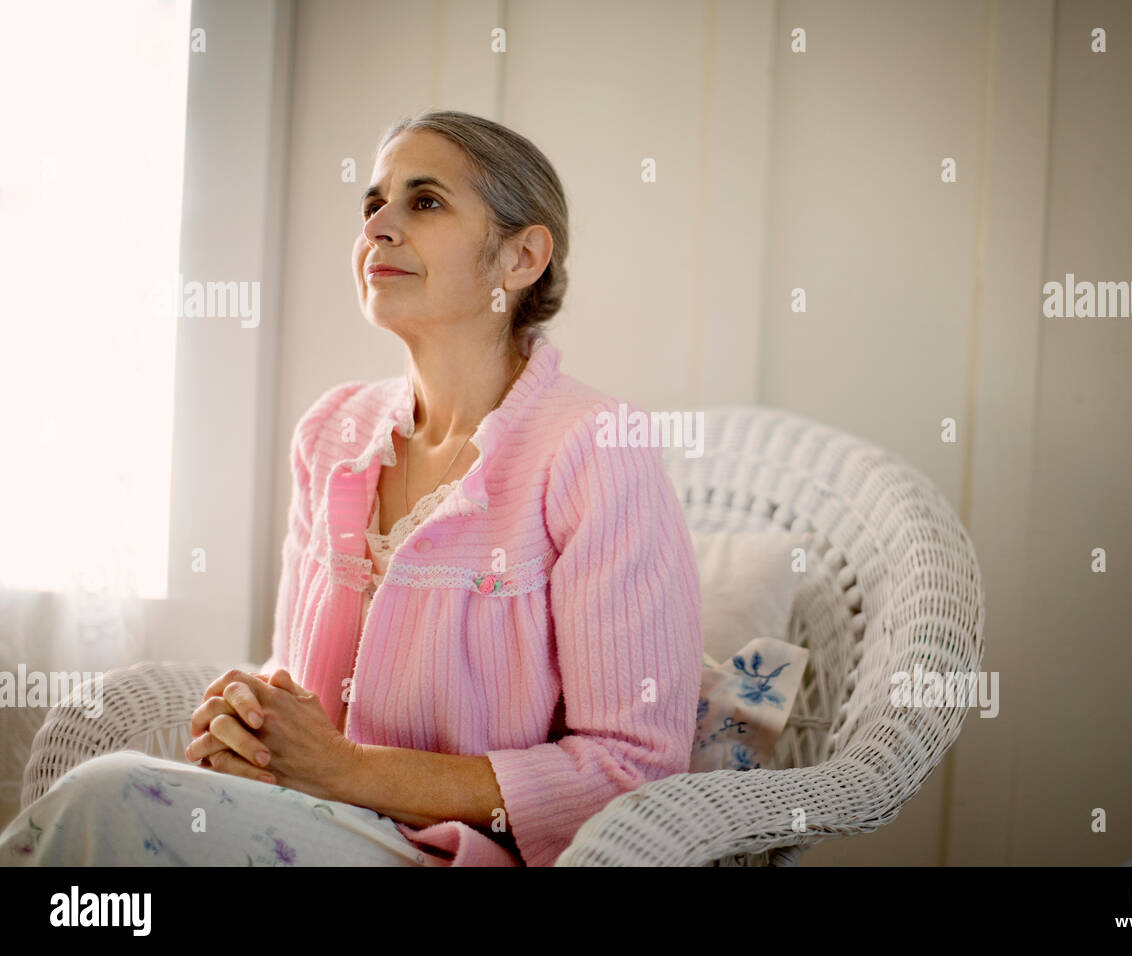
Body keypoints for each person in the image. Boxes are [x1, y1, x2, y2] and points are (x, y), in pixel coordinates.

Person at [1, 110, 703, 867]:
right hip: (312, 825)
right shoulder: (333, 432)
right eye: (373, 205)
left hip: (457, 856)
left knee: (113, 796)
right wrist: (253, 721)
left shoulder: (596, 449)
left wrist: (347, 770)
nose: (379, 228)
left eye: (424, 201)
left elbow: (631, 775)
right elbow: (298, 684)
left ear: (521, 256)